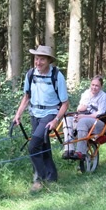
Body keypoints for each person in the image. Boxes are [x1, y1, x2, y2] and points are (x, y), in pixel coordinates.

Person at [14, 45, 69, 193]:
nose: (38, 62)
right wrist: (18, 115)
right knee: (43, 146)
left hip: (50, 114)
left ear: (49, 60)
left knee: (33, 146)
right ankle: (52, 176)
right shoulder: (31, 74)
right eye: (36, 58)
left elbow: (65, 103)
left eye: (42, 59)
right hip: (34, 114)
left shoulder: (57, 76)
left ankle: (39, 179)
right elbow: (27, 97)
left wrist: (56, 120)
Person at [63, 75, 106, 160]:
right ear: (90, 84)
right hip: (84, 117)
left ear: (101, 87)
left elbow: (100, 113)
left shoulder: (103, 96)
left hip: (98, 122)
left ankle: (81, 152)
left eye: (97, 85)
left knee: (83, 121)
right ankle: (69, 149)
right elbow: (80, 108)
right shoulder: (86, 93)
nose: (94, 87)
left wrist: (83, 116)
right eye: (93, 85)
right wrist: (80, 111)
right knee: (67, 119)